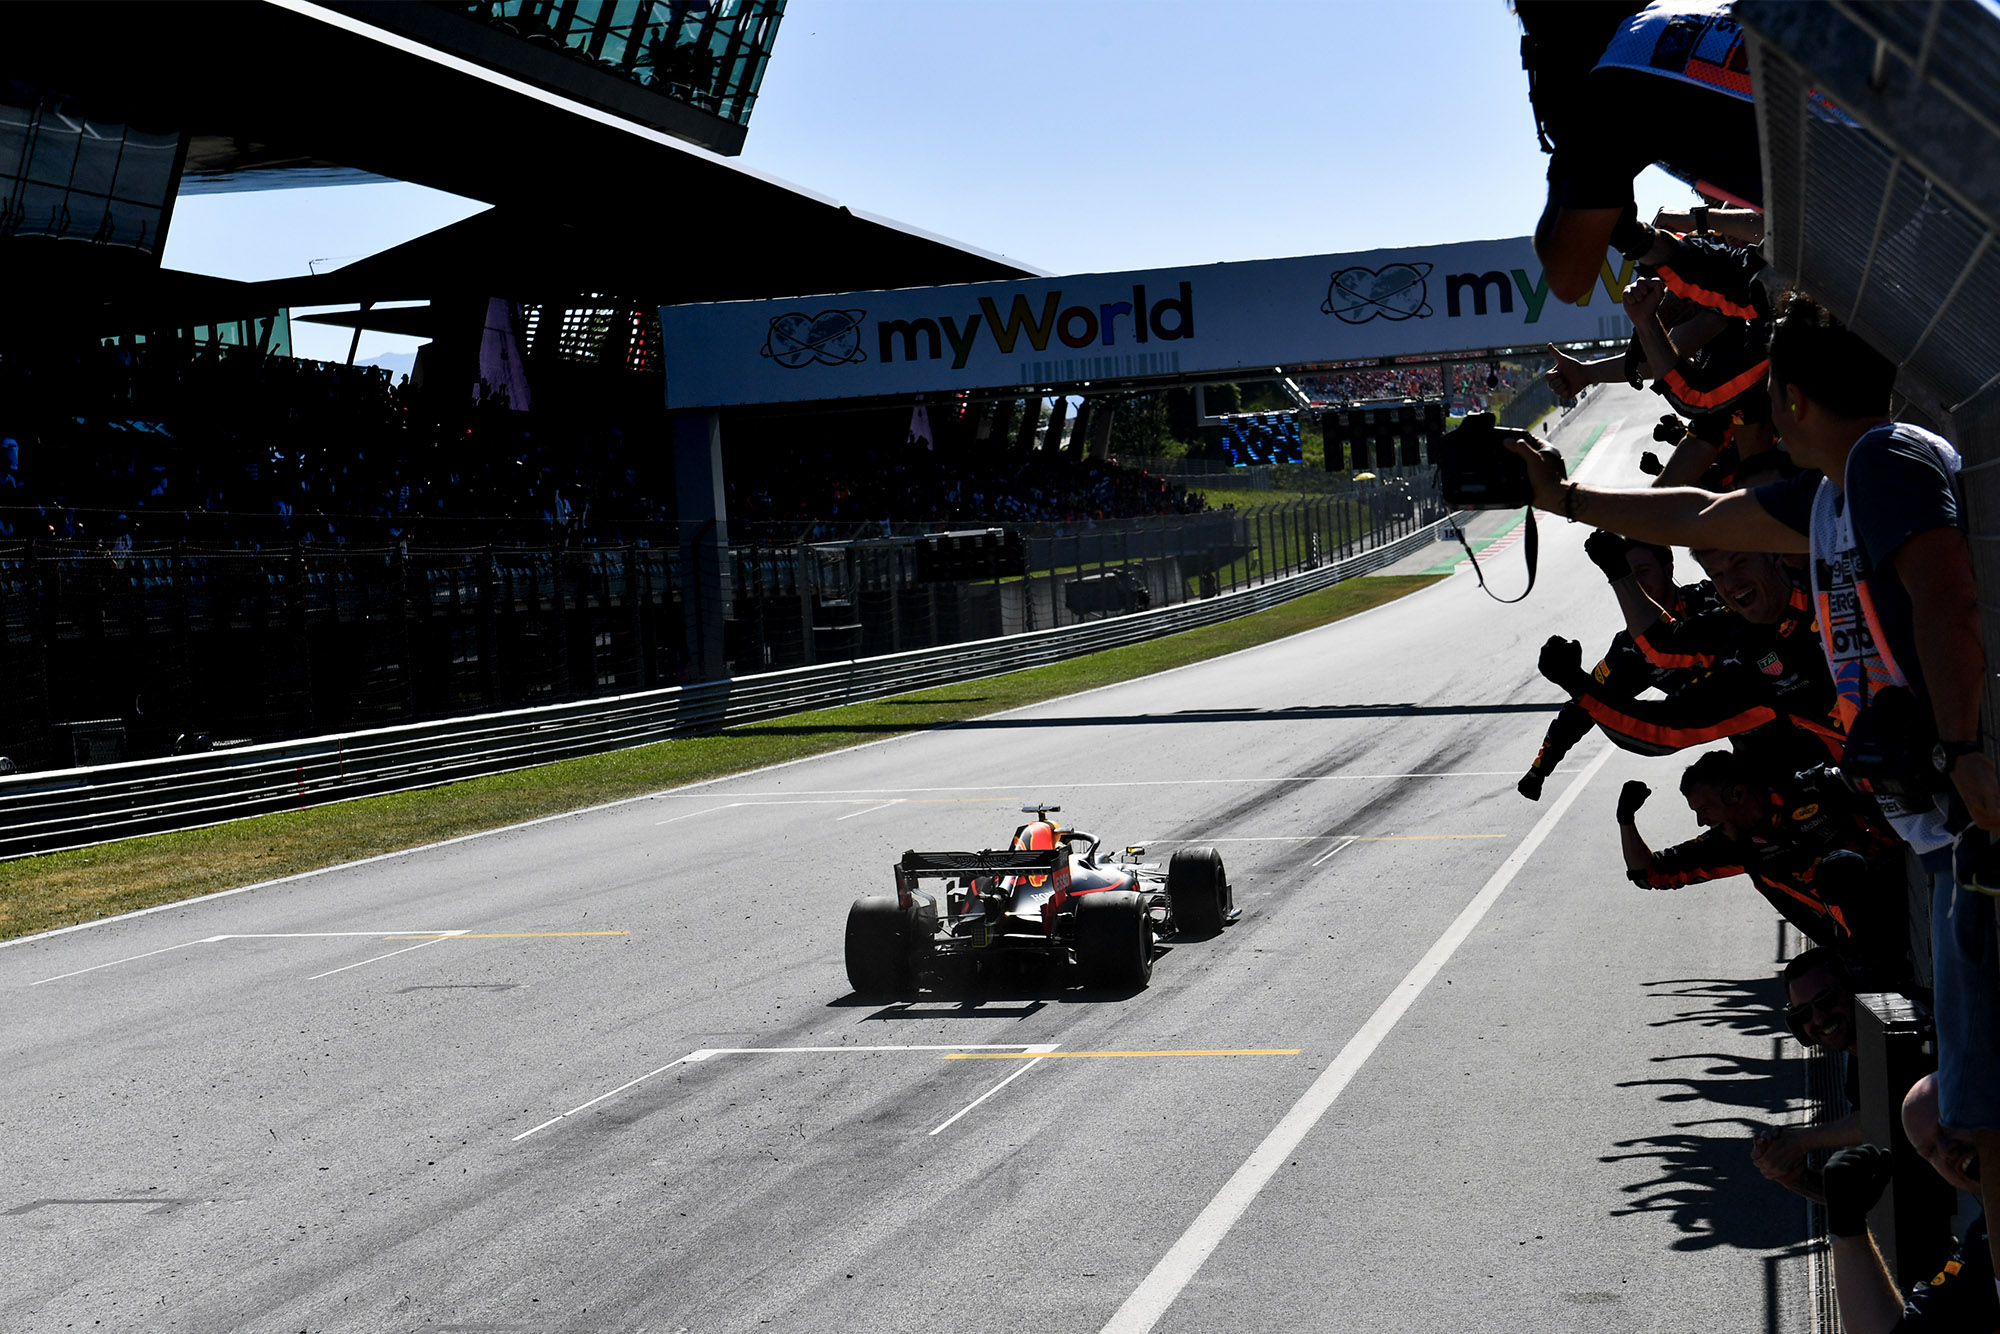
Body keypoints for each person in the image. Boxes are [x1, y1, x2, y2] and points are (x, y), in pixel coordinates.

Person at [1503, 290, 2000, 1275]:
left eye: (1767, 392)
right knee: (1959, 1114)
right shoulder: (1828, 495)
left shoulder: (1882, 459)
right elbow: (1696, 511)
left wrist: (1961, 750)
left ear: (1792, 394)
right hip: (1942, 830)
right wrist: (1558, 496)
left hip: (1964, 821)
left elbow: (1943, 599)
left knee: (1981, 1119)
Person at [1616, 756, 1910, 984]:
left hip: (1911, 896)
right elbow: (1649, 874)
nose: (1701, 822)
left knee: (1840, 869)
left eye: (1704, 810)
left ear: (1737, 794)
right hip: (1866, 952)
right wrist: (1625, 820)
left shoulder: (1816, 788)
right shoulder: (1735, 844)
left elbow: (1897, 788)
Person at [1517, 532, 1715, 799]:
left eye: (1642, 571)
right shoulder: (1630, 649)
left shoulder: (1711, 598)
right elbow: (1582, 707)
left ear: (1669, 569)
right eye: (1627, 575)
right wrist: (1539, 770)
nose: (1635, 584)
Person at [1822, 1074, 1994, 1333]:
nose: (1946, 1151)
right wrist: (1847, 1225)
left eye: (1948, 1124)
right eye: (1931, 1151)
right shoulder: (1984, 1241)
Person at [1750, 948, 1864, 1201]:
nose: (1820, 1018)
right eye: (1804, 1014)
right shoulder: (1858, 1072)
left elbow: (1884, 1120)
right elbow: (1860, 1199)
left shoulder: (1892, 1041)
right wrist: (1795, 1179)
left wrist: (1801, 1141)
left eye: (1825, 1000)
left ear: (1852, 989)